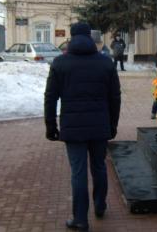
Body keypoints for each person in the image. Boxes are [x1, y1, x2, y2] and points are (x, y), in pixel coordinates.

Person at [44, 22, 121, 232]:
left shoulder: (60, 63)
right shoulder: (105, 63)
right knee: (99, 167)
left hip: (73, 128)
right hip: (99, 127)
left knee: (78, 173)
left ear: (71, 37)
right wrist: (112, 124)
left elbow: (50, 97)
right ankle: (100, 205)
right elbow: (115, 98)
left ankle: (80, 219)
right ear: (90, 37)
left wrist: (50, 125)